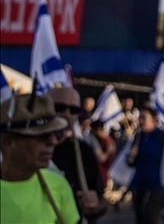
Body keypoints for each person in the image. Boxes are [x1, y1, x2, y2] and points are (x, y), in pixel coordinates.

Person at [1, 92, 80, 224]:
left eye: (56, 134)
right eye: (43, 135)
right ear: (9, 143)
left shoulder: (58, 185)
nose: (53, 142)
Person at [47, 86, 109, 222]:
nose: (67, 114)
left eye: (74, 110)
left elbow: (101, 198)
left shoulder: (83, 150)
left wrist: (95, 206)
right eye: (59, 107)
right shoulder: (27, 148)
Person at [127, 103, 164, 224]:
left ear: (155, 120)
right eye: (139, 118)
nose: (140, 121)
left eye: (143, 118)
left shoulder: (163, 137)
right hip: (140, 186)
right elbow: (130, 163)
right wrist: (131, 156)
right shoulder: (138, 137)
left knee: (152, 218)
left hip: (157, 187)